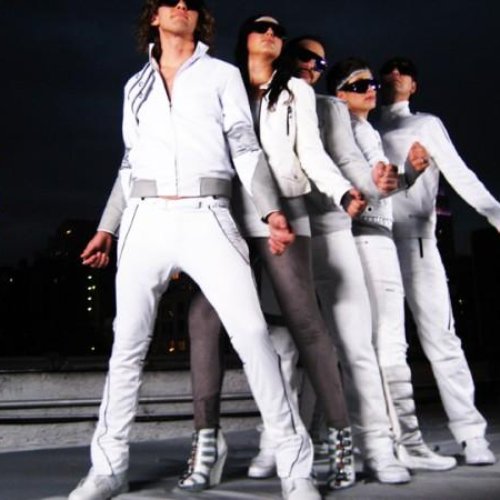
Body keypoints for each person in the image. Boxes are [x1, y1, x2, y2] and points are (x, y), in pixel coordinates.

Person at [68, 2, 321, 500]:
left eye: (191, 2)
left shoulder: (222, 76)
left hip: (208, 215)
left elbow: (244, 146)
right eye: (171, 0)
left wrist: (271, 209)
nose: (182, 6)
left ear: (199, 19)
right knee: (127, 345)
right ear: (155, 16)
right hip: (144, 219)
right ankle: (108, 468)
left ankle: (296, 470)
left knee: (252, 335)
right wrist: (107, 227)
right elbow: (129, 162)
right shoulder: (135, 86)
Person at [185, 15, 365, 492]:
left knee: (305, 322)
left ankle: (340, 441)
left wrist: (342, 191)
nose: (271, 34)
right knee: (202, 318)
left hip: (287, 210)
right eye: (260, 27)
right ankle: (207, 442)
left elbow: (312, 154)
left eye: (278, 31)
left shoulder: (295, 91)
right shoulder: (222, 84)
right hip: (229, 216)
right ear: (244, 38)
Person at [248, 35, 412, 485]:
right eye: (305, 56)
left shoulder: (332, 109)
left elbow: (349, 162)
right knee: (282, 350)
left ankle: (376, 448)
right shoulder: (257, 101)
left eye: (320, 62)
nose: (312, 66)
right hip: (283, 234)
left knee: (356, 346)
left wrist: (376, 184)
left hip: (333, 231)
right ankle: (275, 443)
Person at [327, 56, 458, 472]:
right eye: (358, 85)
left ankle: (391, 441)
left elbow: (383, 185)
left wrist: (411, 175)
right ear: (339, 95)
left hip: (375, 236)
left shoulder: (362, 130)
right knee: (383, 343)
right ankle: (398, 443)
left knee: (378, 344)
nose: (371, 89)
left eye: (372, 83)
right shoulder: (346, 128)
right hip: (367, 238)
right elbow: (362, 184)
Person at [378, 56, 499, 465]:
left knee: (442, 340)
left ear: (414, 85)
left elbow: (458, 172)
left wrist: (494, 213)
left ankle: (471, 434)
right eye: (389, 71)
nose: (395, 75)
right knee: (387, 346)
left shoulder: (425, 124)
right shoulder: (365, 127)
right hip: (375, 246)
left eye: (404, 71)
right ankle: (399, 439)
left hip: (417, 243)